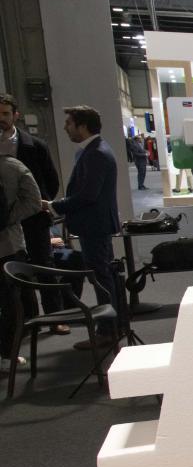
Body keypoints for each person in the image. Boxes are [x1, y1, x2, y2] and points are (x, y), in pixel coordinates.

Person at [46, 106, 120, 349]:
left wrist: (55, 206)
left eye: (69, 123)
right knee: (103, 275)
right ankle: (111, 327)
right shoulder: (92, 150)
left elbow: (88, 195)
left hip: (95, 225)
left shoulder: (96, 153)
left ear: (83, 126)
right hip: (94, 224)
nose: (65, 127)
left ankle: (108, 330)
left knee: (101, 278)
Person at [0, 94, 65, 332]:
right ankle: (27, 322)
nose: (1, 118)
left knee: (44, 266)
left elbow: (51, 181)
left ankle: (56, 318)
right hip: (5, 224)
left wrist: (35, 205)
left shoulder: (35, 145)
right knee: (14, 273)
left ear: (15, 115)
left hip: (33, 218)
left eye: (5, 113)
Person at [0, 134, 43, 374]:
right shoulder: (12, 166)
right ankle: (8, 353)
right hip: (8, 244)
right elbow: (34, 202)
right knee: (12, 302)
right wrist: (9, 219)